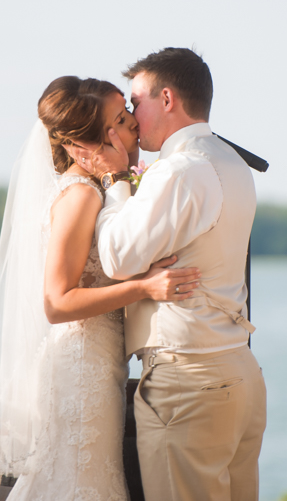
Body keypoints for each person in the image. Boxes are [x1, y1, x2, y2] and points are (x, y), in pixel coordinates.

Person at [68, 48, 266, 501]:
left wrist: (118, 179)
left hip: (190, 384)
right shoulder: (231, 162)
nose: (133, 118)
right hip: (240, 373)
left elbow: (118, 257)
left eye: (137, 103)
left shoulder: (180, 170)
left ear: (168, 98)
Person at [0, 76, 201, 501]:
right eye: (123, 120)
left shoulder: (97, 192)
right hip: (81, 368)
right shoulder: (82, 196)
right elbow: (56, 302)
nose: (135, 127)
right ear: (92, 144)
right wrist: (145, 287)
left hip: (97, 363)